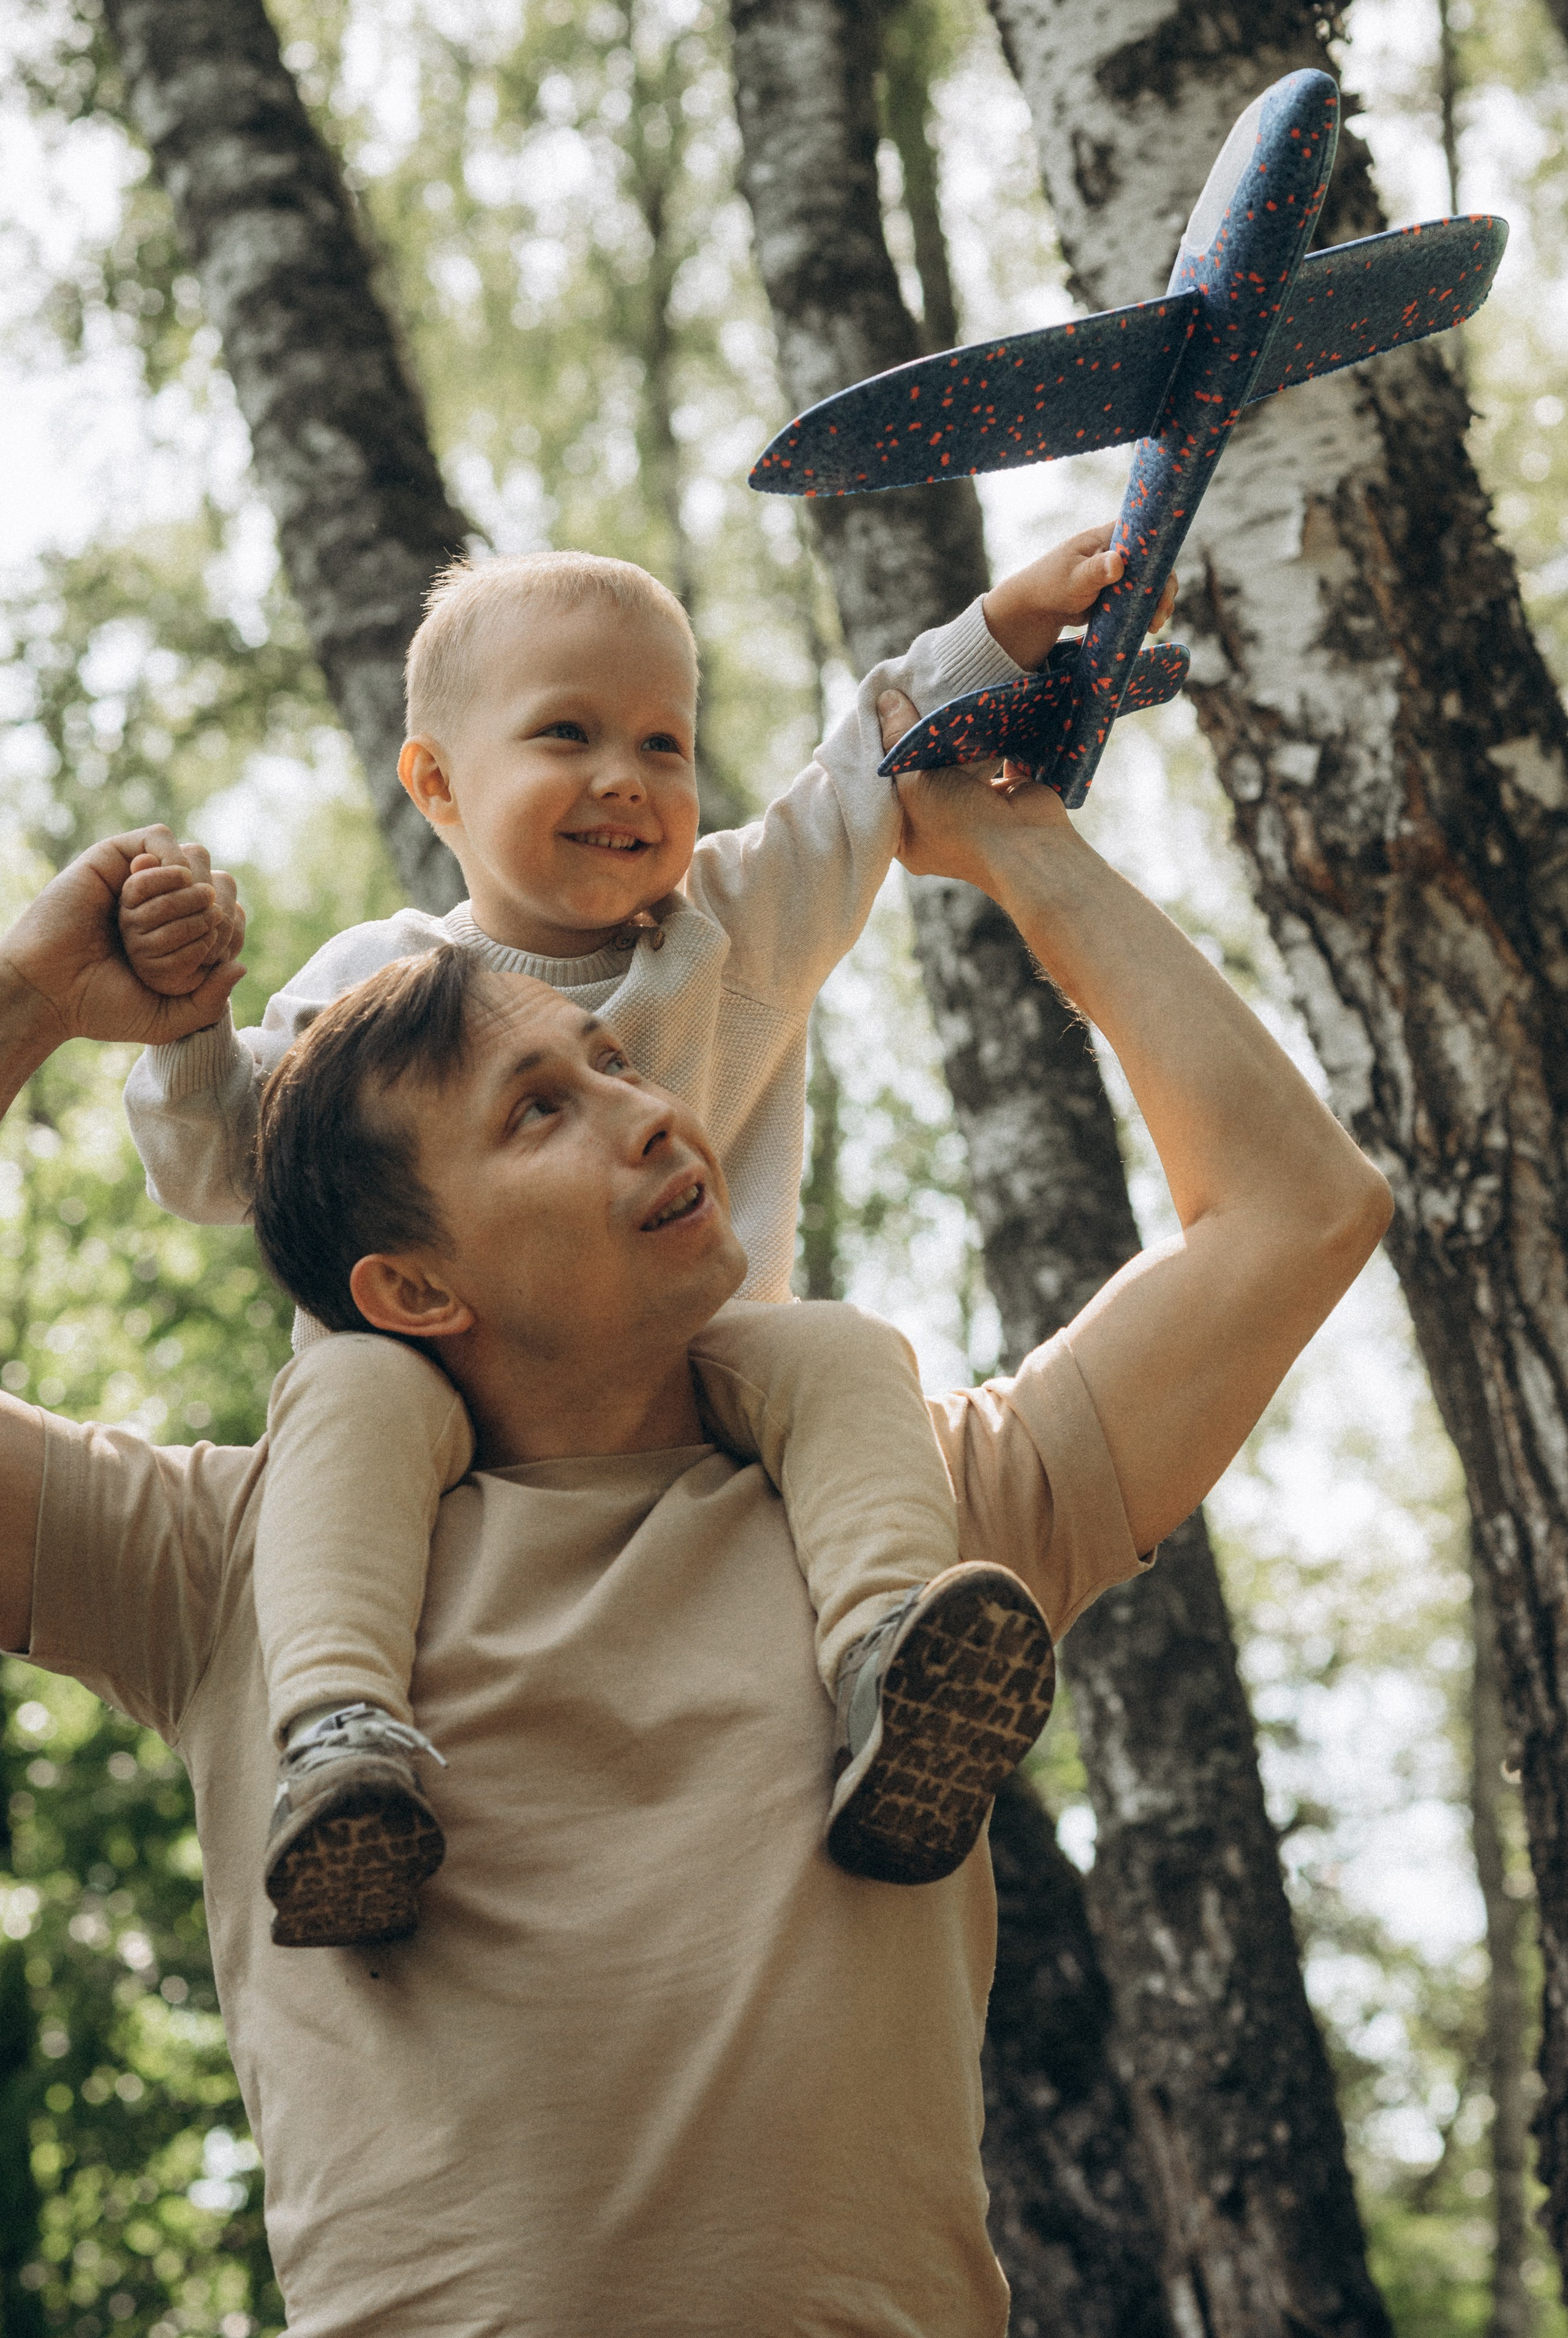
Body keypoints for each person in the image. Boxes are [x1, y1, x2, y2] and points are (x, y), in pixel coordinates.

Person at [0, 724, 1390, 2334]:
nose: (651, 1116)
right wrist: (31, 1000)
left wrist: (1010, 839)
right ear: (414, 1289)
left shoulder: (911, 1524)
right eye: (538, 1110)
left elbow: (1303, 1212)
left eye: (619, 1067)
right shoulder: (230, 1567)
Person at [110, 532, 1169, 1944]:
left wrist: (1001, 629)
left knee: (837, 1347)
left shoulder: (731, 925)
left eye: (664, 742)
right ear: (436, 781)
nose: (627, 775)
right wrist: (184, 1021)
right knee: (343, 1392)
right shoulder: (377, 992)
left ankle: (885, 1656)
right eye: (568, 732)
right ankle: (341, 1737)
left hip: (689, 1384)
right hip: (434, 1386)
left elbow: (864, 772)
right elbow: (218, 1165)